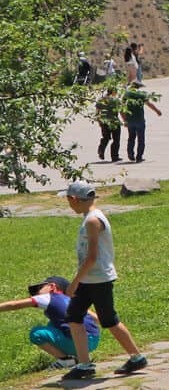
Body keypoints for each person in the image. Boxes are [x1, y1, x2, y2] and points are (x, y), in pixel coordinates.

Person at [62, 182, 148, 380]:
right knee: (73, 317)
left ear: (74, 199)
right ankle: (84, 365)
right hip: (89, 279)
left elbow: (92, 257)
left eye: (68, 200)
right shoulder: (90, 217)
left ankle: (137, 357)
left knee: (109, 320)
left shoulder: (93, 220)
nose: (69, 205)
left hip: (99, 279)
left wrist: (75, 281)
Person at [0, 275, 100, 370]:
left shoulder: (49, 296)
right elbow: (97, 319)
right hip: (93, 340)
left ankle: (65, 360)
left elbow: (14, 305)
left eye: (39, 288)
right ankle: (81, 356)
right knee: (52, 325)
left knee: (36, 333)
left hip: (76, 342)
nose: (36, 293)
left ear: (52, 287)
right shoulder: (72, 300)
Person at [122, 82, 161, 163]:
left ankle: (130, 155)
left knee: (131, 138)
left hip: (130, 120)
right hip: (140, 120)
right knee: (141, 139)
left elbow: (121, 107)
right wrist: (157, 111)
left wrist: (124, 119)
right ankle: (139, 157)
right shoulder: (141, 94)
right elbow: (149, 104)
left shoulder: (127, 94)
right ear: (138, 87)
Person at [95, 86, 123, 162]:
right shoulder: (116, 100)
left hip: (104, 121)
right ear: (113, 92)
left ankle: (101, 149)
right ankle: (114, 156)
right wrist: (125, 120)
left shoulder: (100, 100)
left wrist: (99, 122)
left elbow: (97, 113)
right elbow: (121, 111)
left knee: (106, 137)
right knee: (116, 139)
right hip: (115, 122)